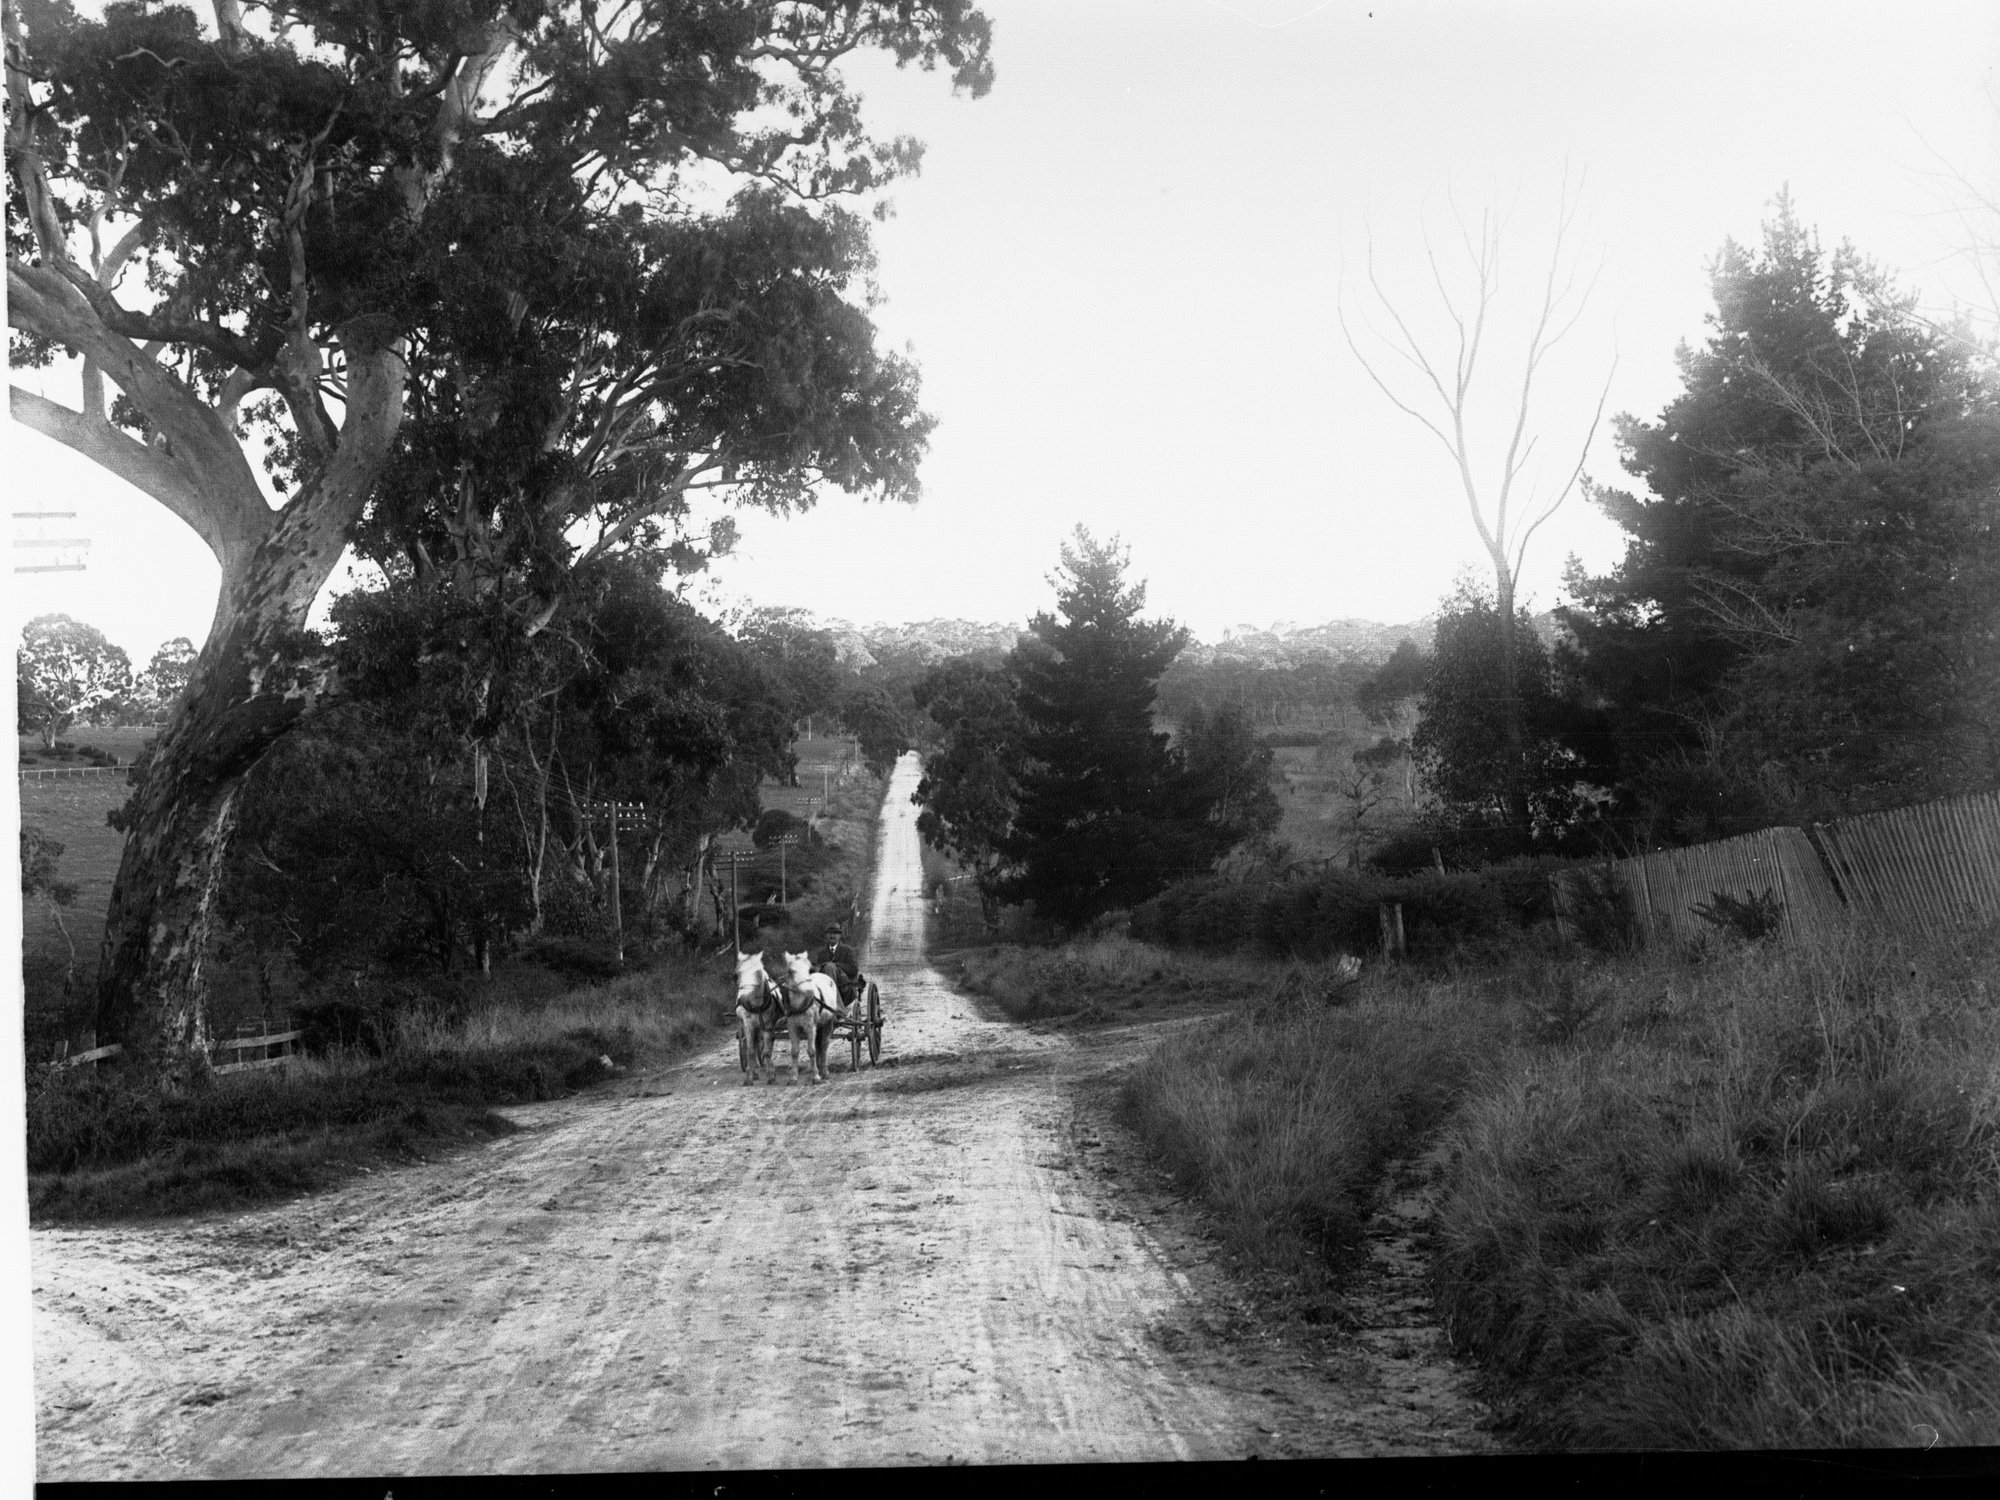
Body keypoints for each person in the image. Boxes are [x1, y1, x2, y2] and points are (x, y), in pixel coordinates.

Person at [816, 923, 861, 1007]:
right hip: (826, 990)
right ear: (826, 935)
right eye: (829, 934)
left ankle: (838, 1008)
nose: (832, 936)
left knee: (830, 967)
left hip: (846, 989)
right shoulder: (822, 953)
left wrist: (836, 965)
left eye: (835, 933)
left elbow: (854, 970)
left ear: (840, 935)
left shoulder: (848, 950)